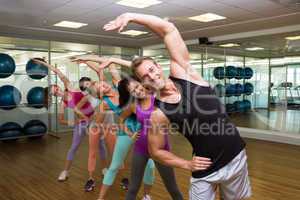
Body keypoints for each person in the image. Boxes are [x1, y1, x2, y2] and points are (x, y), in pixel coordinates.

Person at [103, 13, 252, 200]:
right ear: (143, 83)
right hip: (206, 167)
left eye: (151, 69)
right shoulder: (158, 113)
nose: (152, 76)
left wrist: (131, 16)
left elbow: (169, 30)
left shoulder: (184, 73)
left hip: (236, 156)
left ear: (158, 66)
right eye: (145, 77)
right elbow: (156, 151)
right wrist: (186, 164)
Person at [71, 56, 156, 200]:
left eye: (102, 83)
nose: (105, 85)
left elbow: (109, 64)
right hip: (125, 133)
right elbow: (98, 122)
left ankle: (147, 195)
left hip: (143, 130)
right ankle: (100, 198)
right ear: (99, 94)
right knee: (115, 165)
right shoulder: (104, 103)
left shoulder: (119, 85)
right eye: (101, 87)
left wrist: (86, 59)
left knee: (150, 165)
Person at [33, 59, 107, 182]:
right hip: (82, 123)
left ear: (57, 86)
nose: (56, 91)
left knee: (100, 145)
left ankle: (105, 169)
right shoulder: (63, 103)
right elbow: (61, 120)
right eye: (53, 93)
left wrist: (44, 64)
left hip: (94, 120)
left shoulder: (70, 87)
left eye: (55, 88)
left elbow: (57, 71)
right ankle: (65, 171)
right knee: (74, 147)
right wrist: (73, 123)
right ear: (54, 96)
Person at [118, 77, 183, 200]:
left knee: (172, 188)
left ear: (141, 84)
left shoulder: (158, 99)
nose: (137, 91)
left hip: (161, 149)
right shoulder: (133, 106)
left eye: (137, 86)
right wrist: (129, 133)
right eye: (133, 91)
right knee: (133, 188)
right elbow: (121, 119)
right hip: (141, 148)